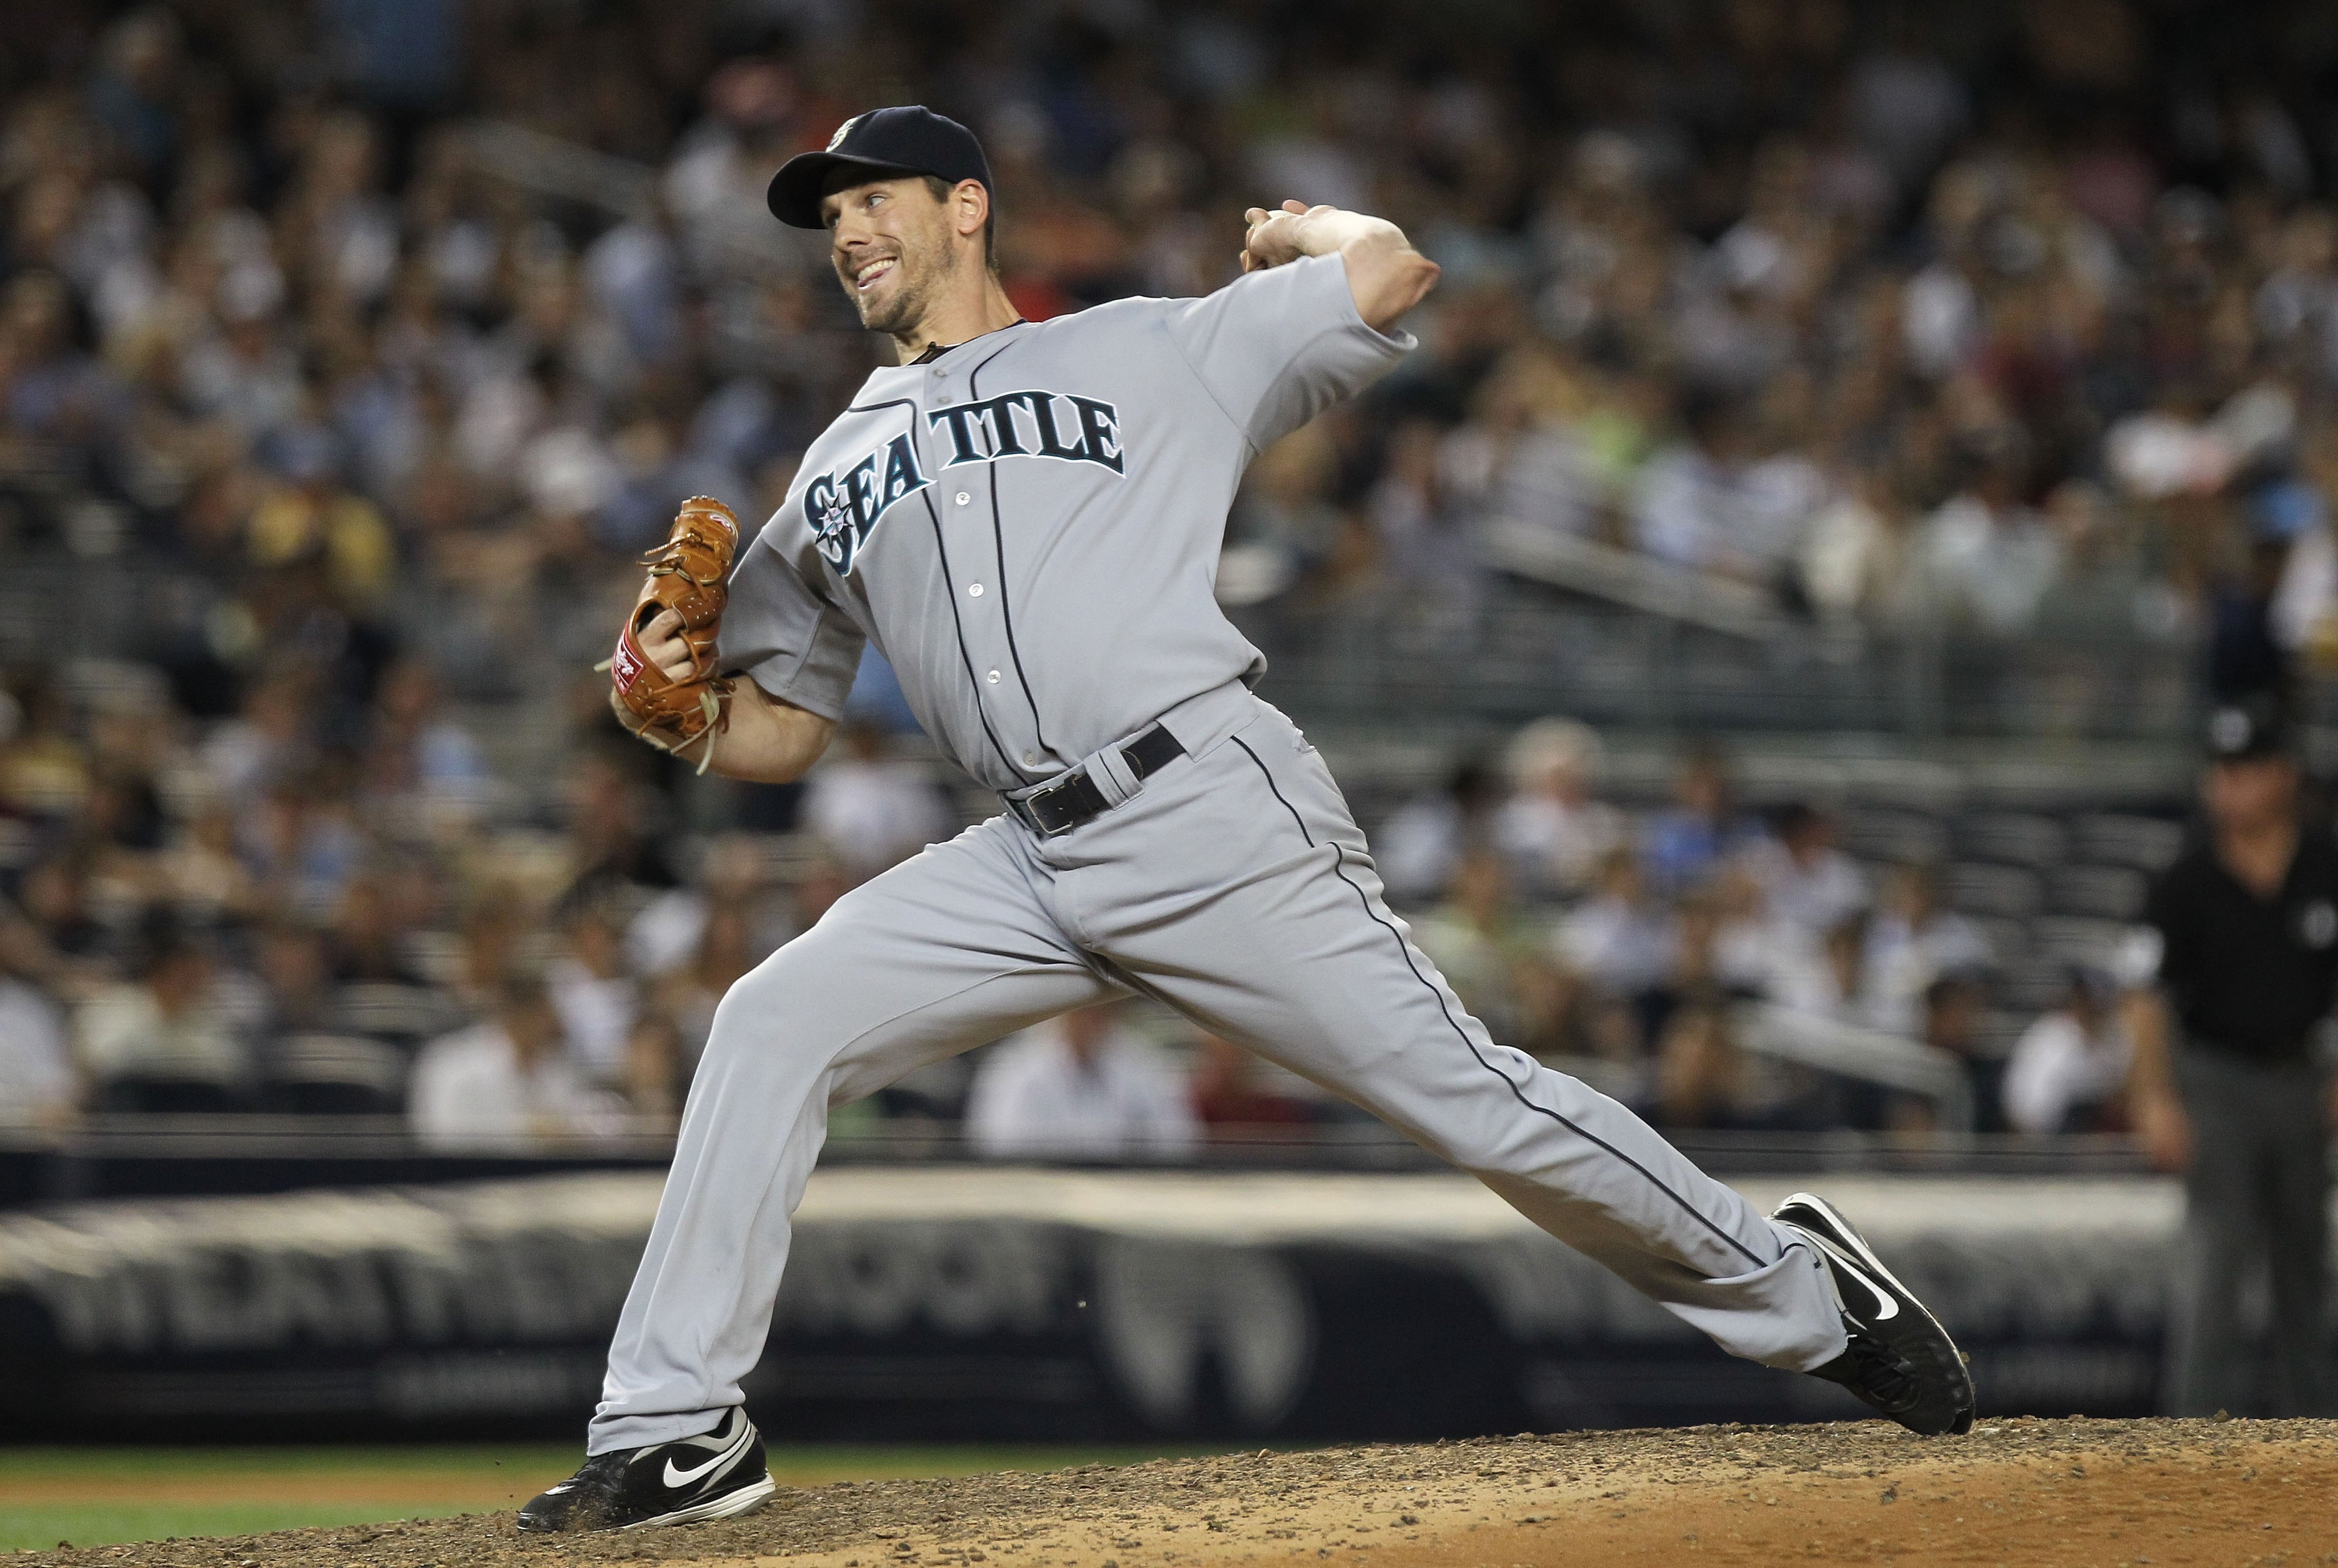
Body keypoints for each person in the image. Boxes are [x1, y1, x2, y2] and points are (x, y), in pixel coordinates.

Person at [521, 105, 1971, 1536]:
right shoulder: (833, 467)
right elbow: (787, 724)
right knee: (775, 1016)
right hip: (1025, 858)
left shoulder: (1143, 344)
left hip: (1206, 807)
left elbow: (1395, 271)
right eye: (828, 215)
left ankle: (1801, 1290)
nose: (848, 229)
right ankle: (676, 1426)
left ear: (967, 206)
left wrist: (1300, 232)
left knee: (1475, 1099)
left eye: (873, 197)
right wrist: (686, 707)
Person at [2125, 700, 2338, 1417]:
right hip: (2214, 1081)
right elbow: (2143, 993)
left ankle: (2317, 1440)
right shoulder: (2184, 880)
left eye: (2244, 771)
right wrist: (2154, 1096)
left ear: (2281, 776)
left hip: (2301, 1079)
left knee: (2304, 1266)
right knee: (2215, 1265)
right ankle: (2190, 1441)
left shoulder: (2323, 864)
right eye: (2219, 772)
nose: (2228, 787)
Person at [407, 971, 624, 1150]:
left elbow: (588, 1123)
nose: (557, 1024)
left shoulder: (556, 1067)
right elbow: (440, 1139)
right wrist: (525, 1133)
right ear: (521, 1015)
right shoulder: (452, 1064)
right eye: (546, 1013)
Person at [963, 1001, 1199, 1160]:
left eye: (1099, 1008)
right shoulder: (1014, 1072)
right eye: (1081, 1008)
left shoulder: (1144, 1066)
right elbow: (998, 1153)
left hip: (1126, 1206)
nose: (1090, 1019)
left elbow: (1179, 1144)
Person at [2002, 968, 2132, 1135]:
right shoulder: (2050, 1035)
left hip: (2090, 1133)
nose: (2091, 1010)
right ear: (2076, 999)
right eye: (2086, 1001)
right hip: (2048, 1136)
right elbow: (2027, 1110)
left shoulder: (2115, 1036)